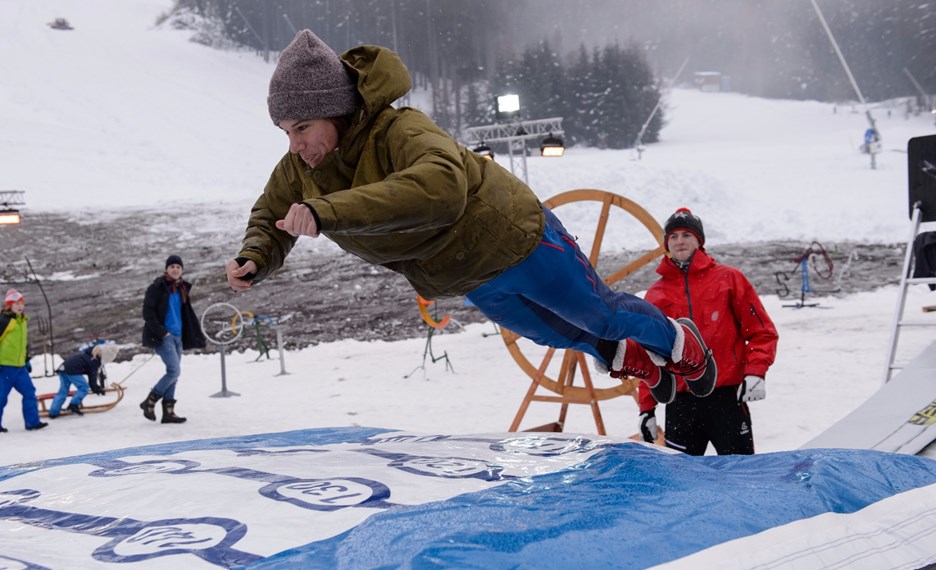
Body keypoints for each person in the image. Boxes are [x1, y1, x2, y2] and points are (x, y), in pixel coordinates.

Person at [223, 29, 716, 397]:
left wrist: (325, 211)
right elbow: (271, 214)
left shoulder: (401, 130)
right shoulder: (300, 167)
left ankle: (676, 340)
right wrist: (255, 256)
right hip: (468, 274)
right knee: (557, 332)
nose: (296, 144)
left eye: (302, 127)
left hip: (514, 238)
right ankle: (627, 357)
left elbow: (440, 188)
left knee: (599, 315)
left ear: (333, 111)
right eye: (286, 131)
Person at [637, 208, 779, 455]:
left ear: (698, 241)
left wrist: (756, 372)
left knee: (740, 474)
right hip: (680, 403)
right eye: (673, 236)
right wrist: (646, 409)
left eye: (686, 234)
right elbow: (648, 357)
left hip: (726, 398)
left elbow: (762, 331)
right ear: (666, 244)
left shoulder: (729, 279)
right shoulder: (656, 294)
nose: (680, 241)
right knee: (682, 480)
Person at [140, 255, 205, 424]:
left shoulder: (182, 289)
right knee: (174, 371)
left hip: (178, 337)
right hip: (164, 337)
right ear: (166, 269)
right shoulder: (157, 287)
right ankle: (150, 400)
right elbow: (148, 313)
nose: (175, 269)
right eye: (172, 266)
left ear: (182, 270)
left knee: (174, 375)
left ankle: (168, 412)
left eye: (178, 266)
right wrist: (162, 333)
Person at [0, 288, 48, 433]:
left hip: (19, 367)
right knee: (1, 396)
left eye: (21, 303)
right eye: (16, 303)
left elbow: (22, 343)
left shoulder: (22, 321)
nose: (20, 306)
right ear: (9, 305)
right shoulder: (4, 321)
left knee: (30, 392)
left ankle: (33, 422)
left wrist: (26, 360)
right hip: (5, 366)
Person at [48, 343, 119, 418]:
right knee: (84, 387)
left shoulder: (89, 355)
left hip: (63, 369)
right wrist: (95, 388)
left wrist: (95, 387)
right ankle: (73, 405)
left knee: (63, 391)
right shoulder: (94, 360)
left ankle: (53, 412)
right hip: (72, 370)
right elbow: (92, 376)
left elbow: (92, 375)